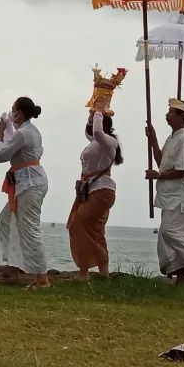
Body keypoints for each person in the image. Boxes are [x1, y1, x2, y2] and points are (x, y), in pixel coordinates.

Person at [0, 96, 50, 289]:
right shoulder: (27, 131)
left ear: (20, 113)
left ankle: (43, 279)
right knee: (5, 220)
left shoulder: (24, 133)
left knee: (29, 228)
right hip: (26, 182)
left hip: (30, 183)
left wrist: (0, 134)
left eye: (13, 110)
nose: (11, 113)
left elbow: (1, 154)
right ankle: (14, 268)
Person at [146, 98, 184, 283]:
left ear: (181, 116)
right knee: (167, 235)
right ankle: (182, 276)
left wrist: (157, 176)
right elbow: (162, 162)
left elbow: (180, 170)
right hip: (171, 196)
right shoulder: (172, 137)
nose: (167, 115)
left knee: (170, 231)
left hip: (182, 197)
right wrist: (153, 140)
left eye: (171, 112)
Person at [67, 110, 122, 281]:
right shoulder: (94, 143)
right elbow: (90, 133)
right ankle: (103, 272)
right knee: (96, 231)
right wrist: (92, 113)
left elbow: (97, 132)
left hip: (102, 190)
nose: (91, 121)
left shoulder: (109, 142)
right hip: (90, 189)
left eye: (94, 120)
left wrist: (99, 111)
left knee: (78, 224)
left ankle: (84, 272)